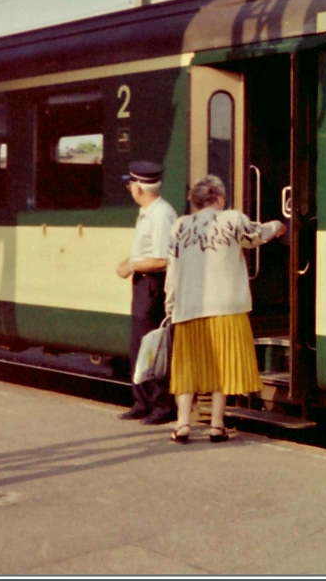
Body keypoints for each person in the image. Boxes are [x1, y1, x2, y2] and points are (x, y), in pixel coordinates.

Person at [164, 175, 286, 443]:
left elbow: (172, 273)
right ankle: (217, 426)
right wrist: (278, 225)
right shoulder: (232, 219)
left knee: (187, 369)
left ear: (195, 202)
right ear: (219, 197)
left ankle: (183, 424)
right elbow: (257, 235)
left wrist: (170, 305)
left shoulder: (179, 227)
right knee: (223, 366)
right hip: (226, 307)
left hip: (188, 309)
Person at [115, 160, 178, 425]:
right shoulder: (149, 213)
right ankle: (142, 401)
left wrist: (131, 265)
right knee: (140, 344)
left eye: (130, 185)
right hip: (144, 284)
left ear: (139, 189)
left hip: (154, 284)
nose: (129, 189)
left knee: (154, 345)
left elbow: (164, 259)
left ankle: (161, 405)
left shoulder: (161, 215)